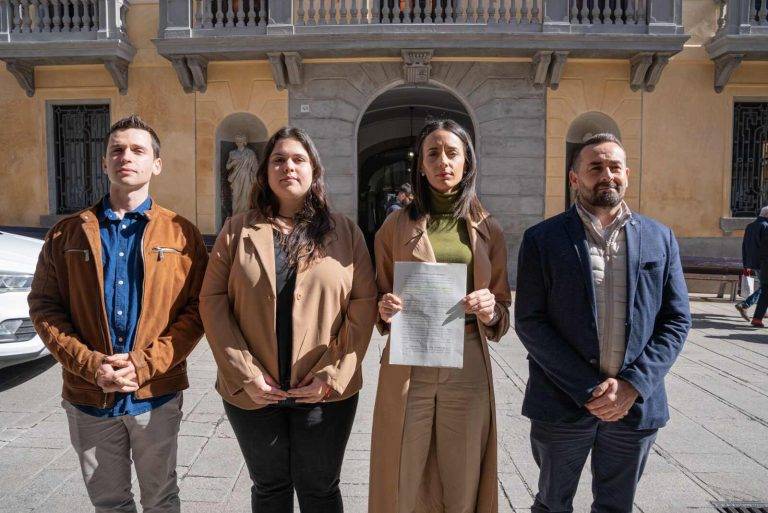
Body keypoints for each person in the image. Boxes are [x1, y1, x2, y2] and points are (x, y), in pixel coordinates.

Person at [28, 114, 208, 513]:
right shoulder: (66, 233)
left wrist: (144, 364)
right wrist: (92, 366)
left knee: (161, 498)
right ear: (104, 162)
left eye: (138, 150)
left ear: (156, 164)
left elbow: (198, 310)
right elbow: (44, 307)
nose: (126, 156)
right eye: (117, 150)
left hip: (155, 396)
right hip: (89, 396)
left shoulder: (182, 234)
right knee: (109, 503)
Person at [200, 126, 378, 513]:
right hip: (253, 390)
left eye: (298, 159)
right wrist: (245, 372)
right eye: (278, 159)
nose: (288, 167)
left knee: (320, 488)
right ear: (264, 172)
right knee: (269, 487)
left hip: (323, 392)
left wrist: (332, 374)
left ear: (314, 170)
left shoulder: (346, 232)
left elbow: (363, 304)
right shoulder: (237, 230)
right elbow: (212, 301)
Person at [514, 133, 691, 513]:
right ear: (574, 178)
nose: (607, 175)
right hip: (562, 404)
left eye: (615, 167)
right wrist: (588, 390)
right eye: (595, 167)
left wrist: (632, 385)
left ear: (627, 173)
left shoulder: (660, 238)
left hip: (635, 408)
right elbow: (530, 322)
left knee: (616, 507)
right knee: (551, 504)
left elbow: (676, 320)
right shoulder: (542, 240)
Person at [370, 119, 512, 513]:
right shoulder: (394, 226)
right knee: (401, 466)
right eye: (433, 153)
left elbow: (502, 307)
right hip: (408, 357)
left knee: (463, 471)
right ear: (420, 165)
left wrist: (490, 309)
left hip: (466, 358)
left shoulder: (488, 228)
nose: (442, 162)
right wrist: (384, 308)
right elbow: (378, 293)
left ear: (467, 162)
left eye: (452, 153)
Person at [735, 206, 768, 325]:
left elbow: (744, 246)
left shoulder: (750, 226)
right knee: (765, 288)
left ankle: (763, 311)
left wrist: (746, 263)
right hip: (762, 262)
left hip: (752, 261)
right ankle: (745, 304)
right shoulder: (765, 226)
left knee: (764, 286)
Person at [226, 133, 259, 215]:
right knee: (236, 197)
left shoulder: (250, 153)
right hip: (236, 178)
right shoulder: (232, 153)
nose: (238, 143)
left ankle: (245, 217)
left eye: (240, 141)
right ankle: (235, 217)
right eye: (237, 141)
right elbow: (227, 167)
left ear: (244, 142)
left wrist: (255, 178)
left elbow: (255, 167)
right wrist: (233, 163)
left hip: (247, 177)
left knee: (246, 197)